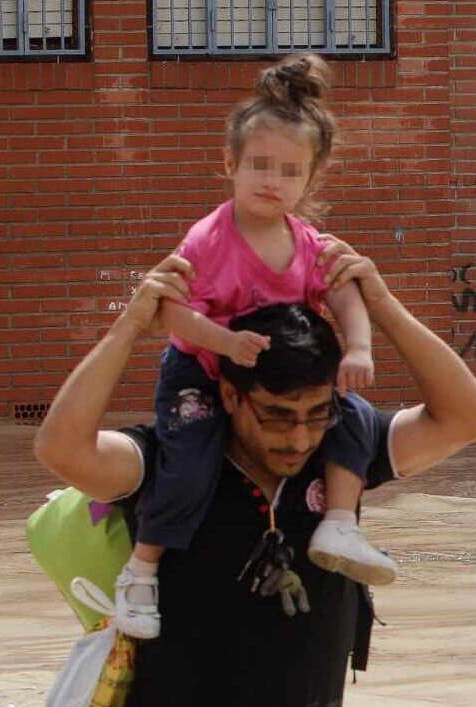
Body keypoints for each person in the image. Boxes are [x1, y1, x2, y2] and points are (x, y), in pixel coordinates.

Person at [32, 239, 476, 707]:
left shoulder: (344, 458)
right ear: (229, 394)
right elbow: (60, 449)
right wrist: (128, 328)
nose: (299, 439)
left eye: (315, 415)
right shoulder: (167, 466)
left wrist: (378, 303)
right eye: (277, 416)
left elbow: (470, 416)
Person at [114, 53, 393, 641]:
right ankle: (141, 569)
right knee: (189, 456)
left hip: (277, 380)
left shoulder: (311, 243)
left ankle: (339, 522)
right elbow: (169, 309)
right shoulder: (210, 239)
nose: (273, 180)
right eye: (259, 165)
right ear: (230, 165)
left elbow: (345, 296)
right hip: (201, 365)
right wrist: (225, 342)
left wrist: (360, 349)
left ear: (311, 178)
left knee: (358, 418)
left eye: (290, 171)